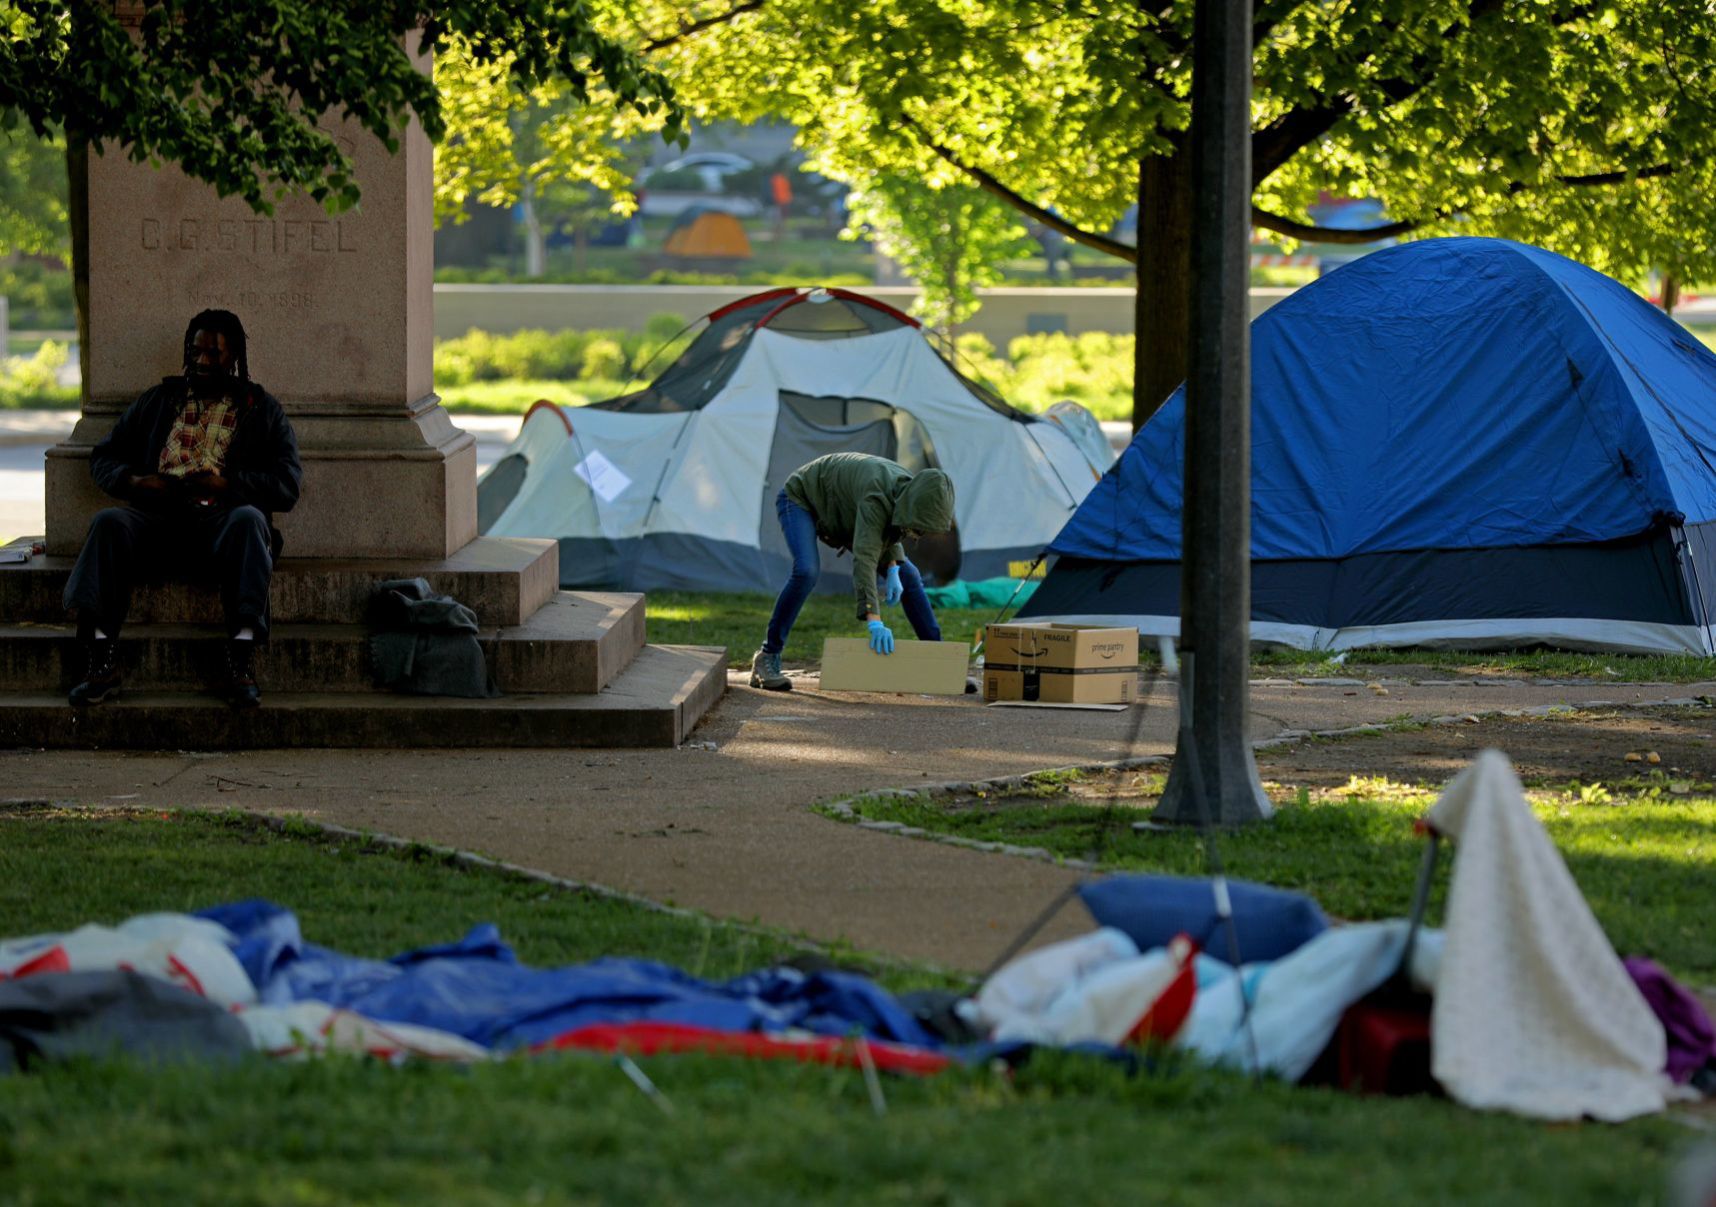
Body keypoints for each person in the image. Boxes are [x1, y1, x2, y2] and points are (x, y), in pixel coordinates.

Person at [62, 309, 302, 708]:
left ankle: (241, 660)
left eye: (214, 354)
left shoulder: (260, 408)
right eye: (196, 352)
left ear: (235, 357)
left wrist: (229, 485)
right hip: (158, 521)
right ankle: (101, 660)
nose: (203, 361)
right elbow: (103, 455)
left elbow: (288, 485)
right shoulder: (160, 400)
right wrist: (135, 482)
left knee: (250, 520)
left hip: (222, 524)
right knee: (108, 522)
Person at [750, 452, 955, 692]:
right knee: (806, 571)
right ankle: (767, 657)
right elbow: (865, 558)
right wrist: (874, 620)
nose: (918, 534)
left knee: (908, 575)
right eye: (919, 527)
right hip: (802, 499)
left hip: (845, 509)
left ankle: (941, 664)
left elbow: (891, 528)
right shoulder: (877, 495)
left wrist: (892, 569)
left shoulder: (912, 491)